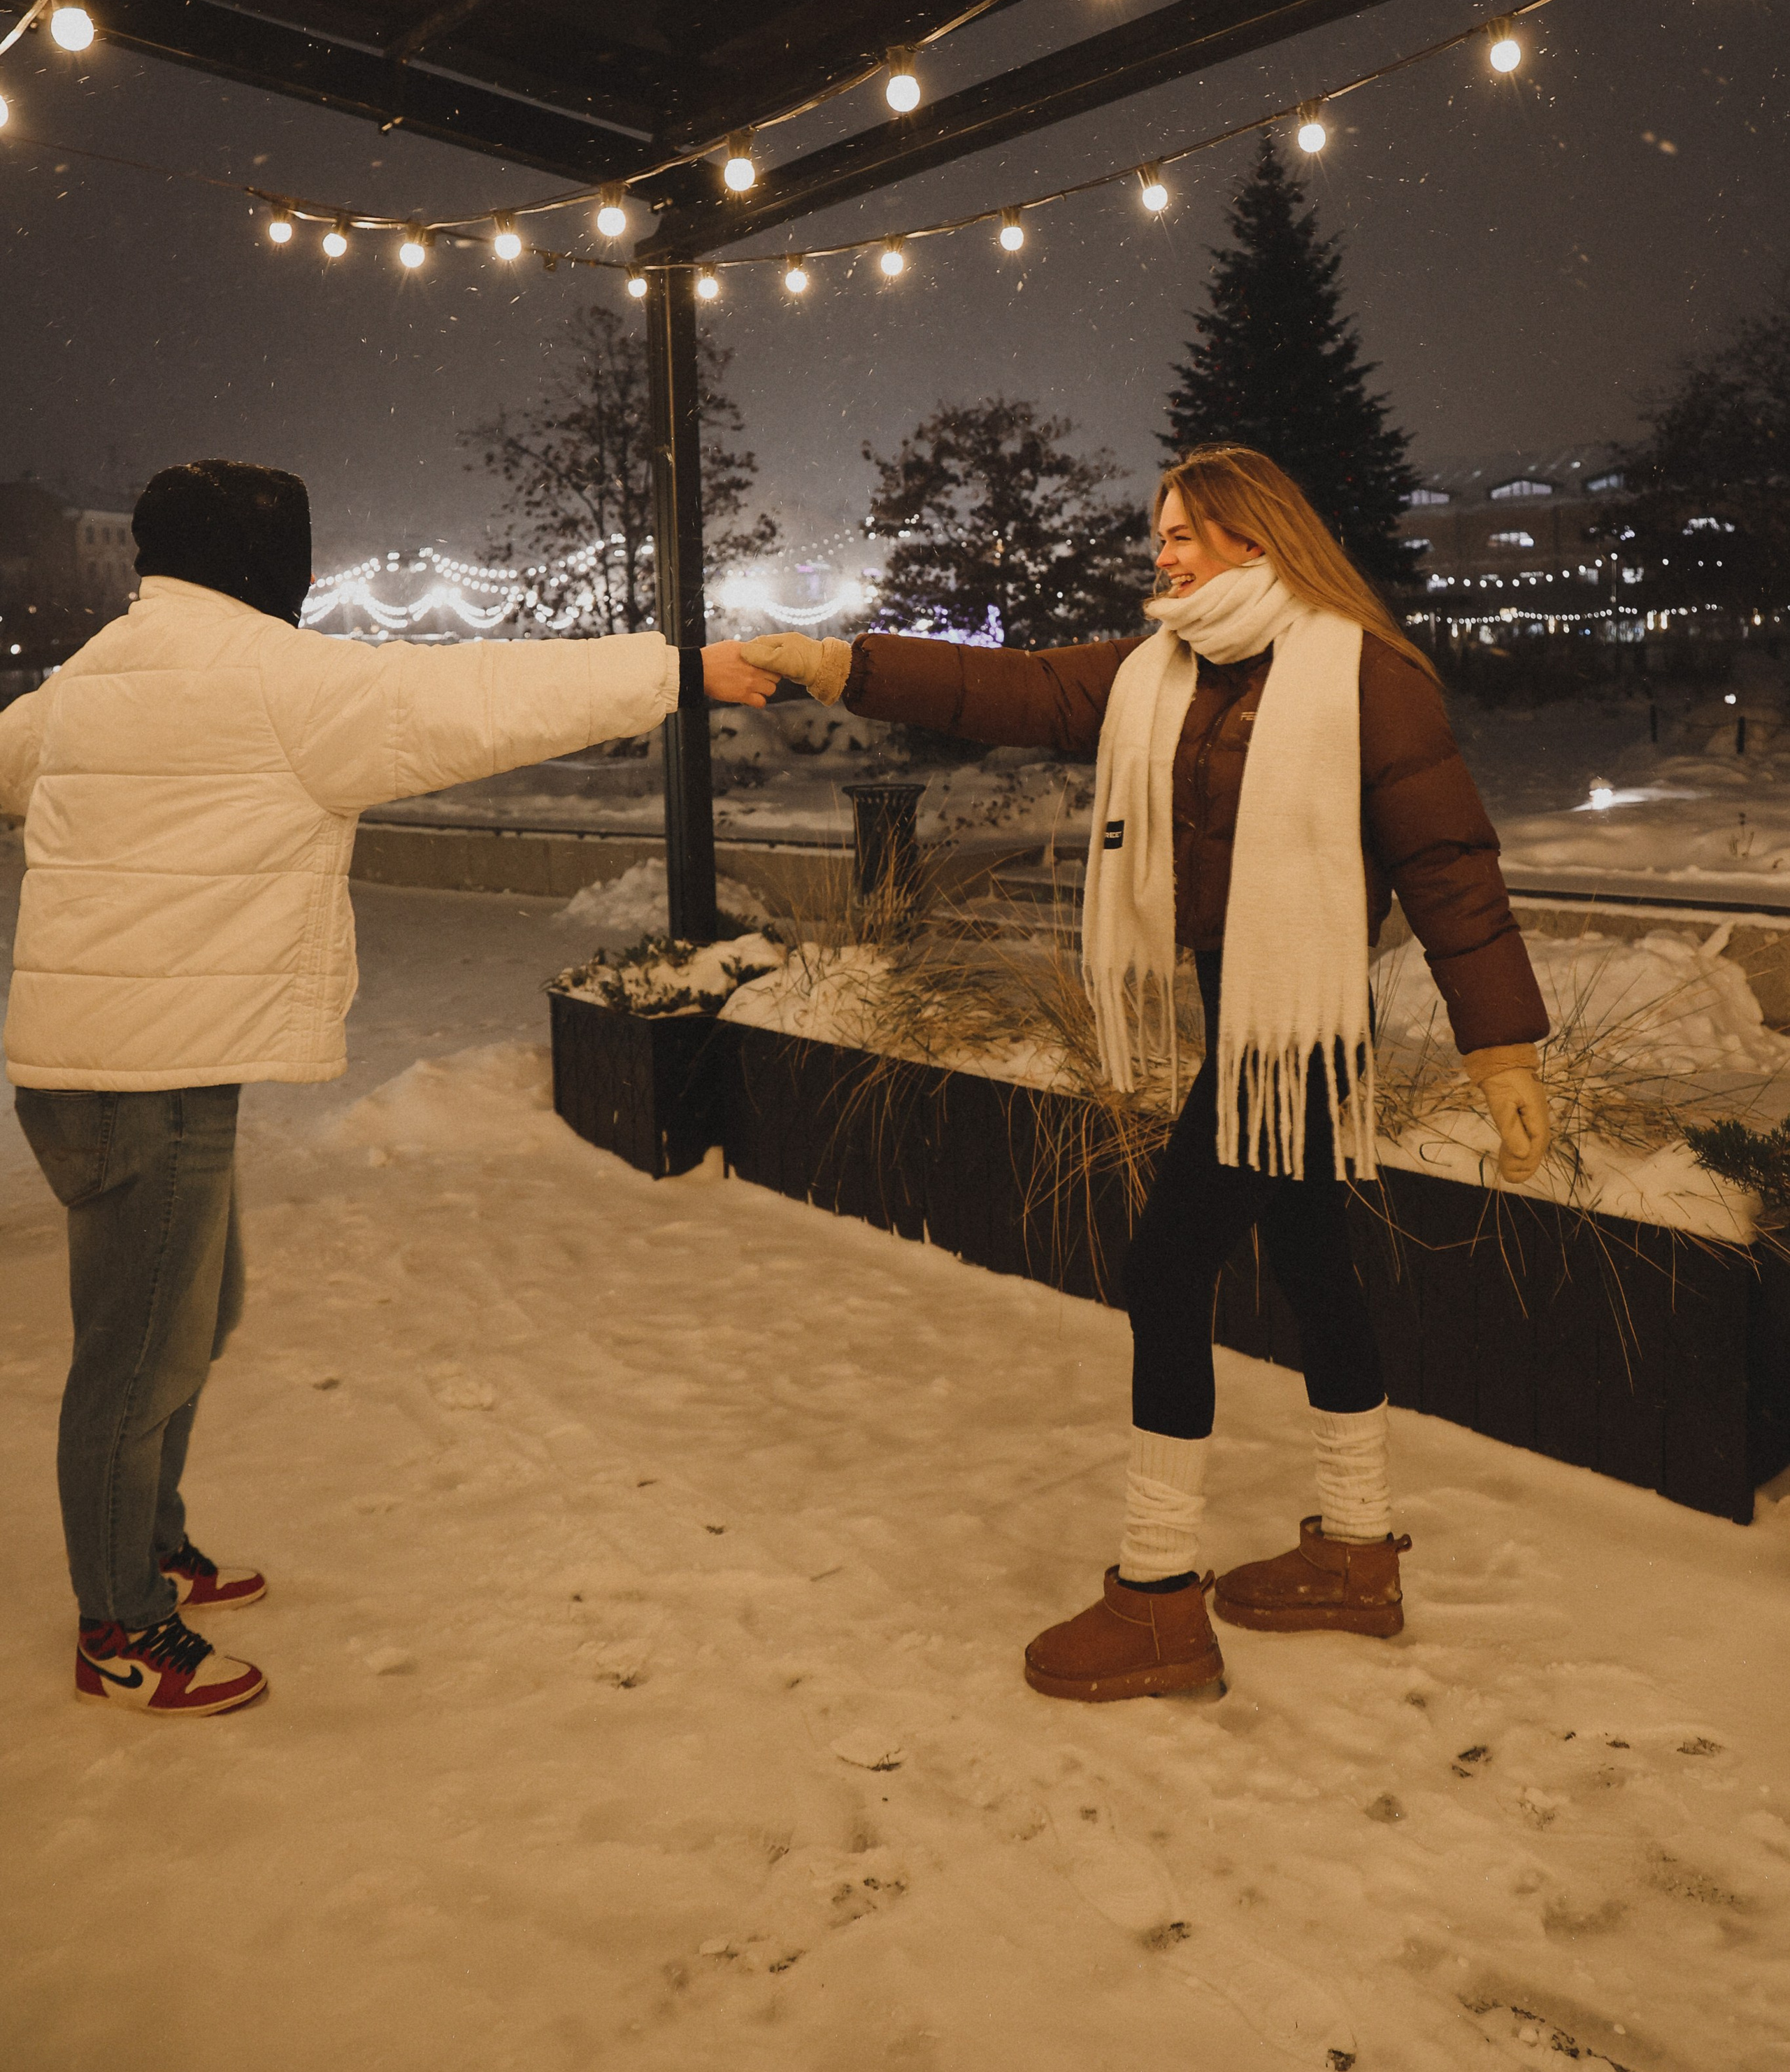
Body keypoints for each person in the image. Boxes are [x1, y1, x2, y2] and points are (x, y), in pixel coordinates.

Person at [743, 443, 1551, 1705]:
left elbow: (1448, 858)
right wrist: (835, 662)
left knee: (1166, 1265)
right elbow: (998, 692)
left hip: (1301, 1025)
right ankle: (1355, 1552)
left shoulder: (1365, 677)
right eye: (1160, 531)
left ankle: (1161, 1598)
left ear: (1256, 540)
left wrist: (1502, 1045)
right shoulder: (1162, 668)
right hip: (1251, 1014)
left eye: (1183, 533)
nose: (1162, 553)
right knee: (1310, 1258)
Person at [0, 459, 773, 1716]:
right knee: (137, 1359)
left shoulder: (87, 679)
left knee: (196, 1314)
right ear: (267, 565)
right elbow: (478, 695)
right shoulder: (280, 682)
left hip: (122, 1067)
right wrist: (680, 669)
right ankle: (120, 1626)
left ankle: (150, 1547)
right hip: (144, 1073)